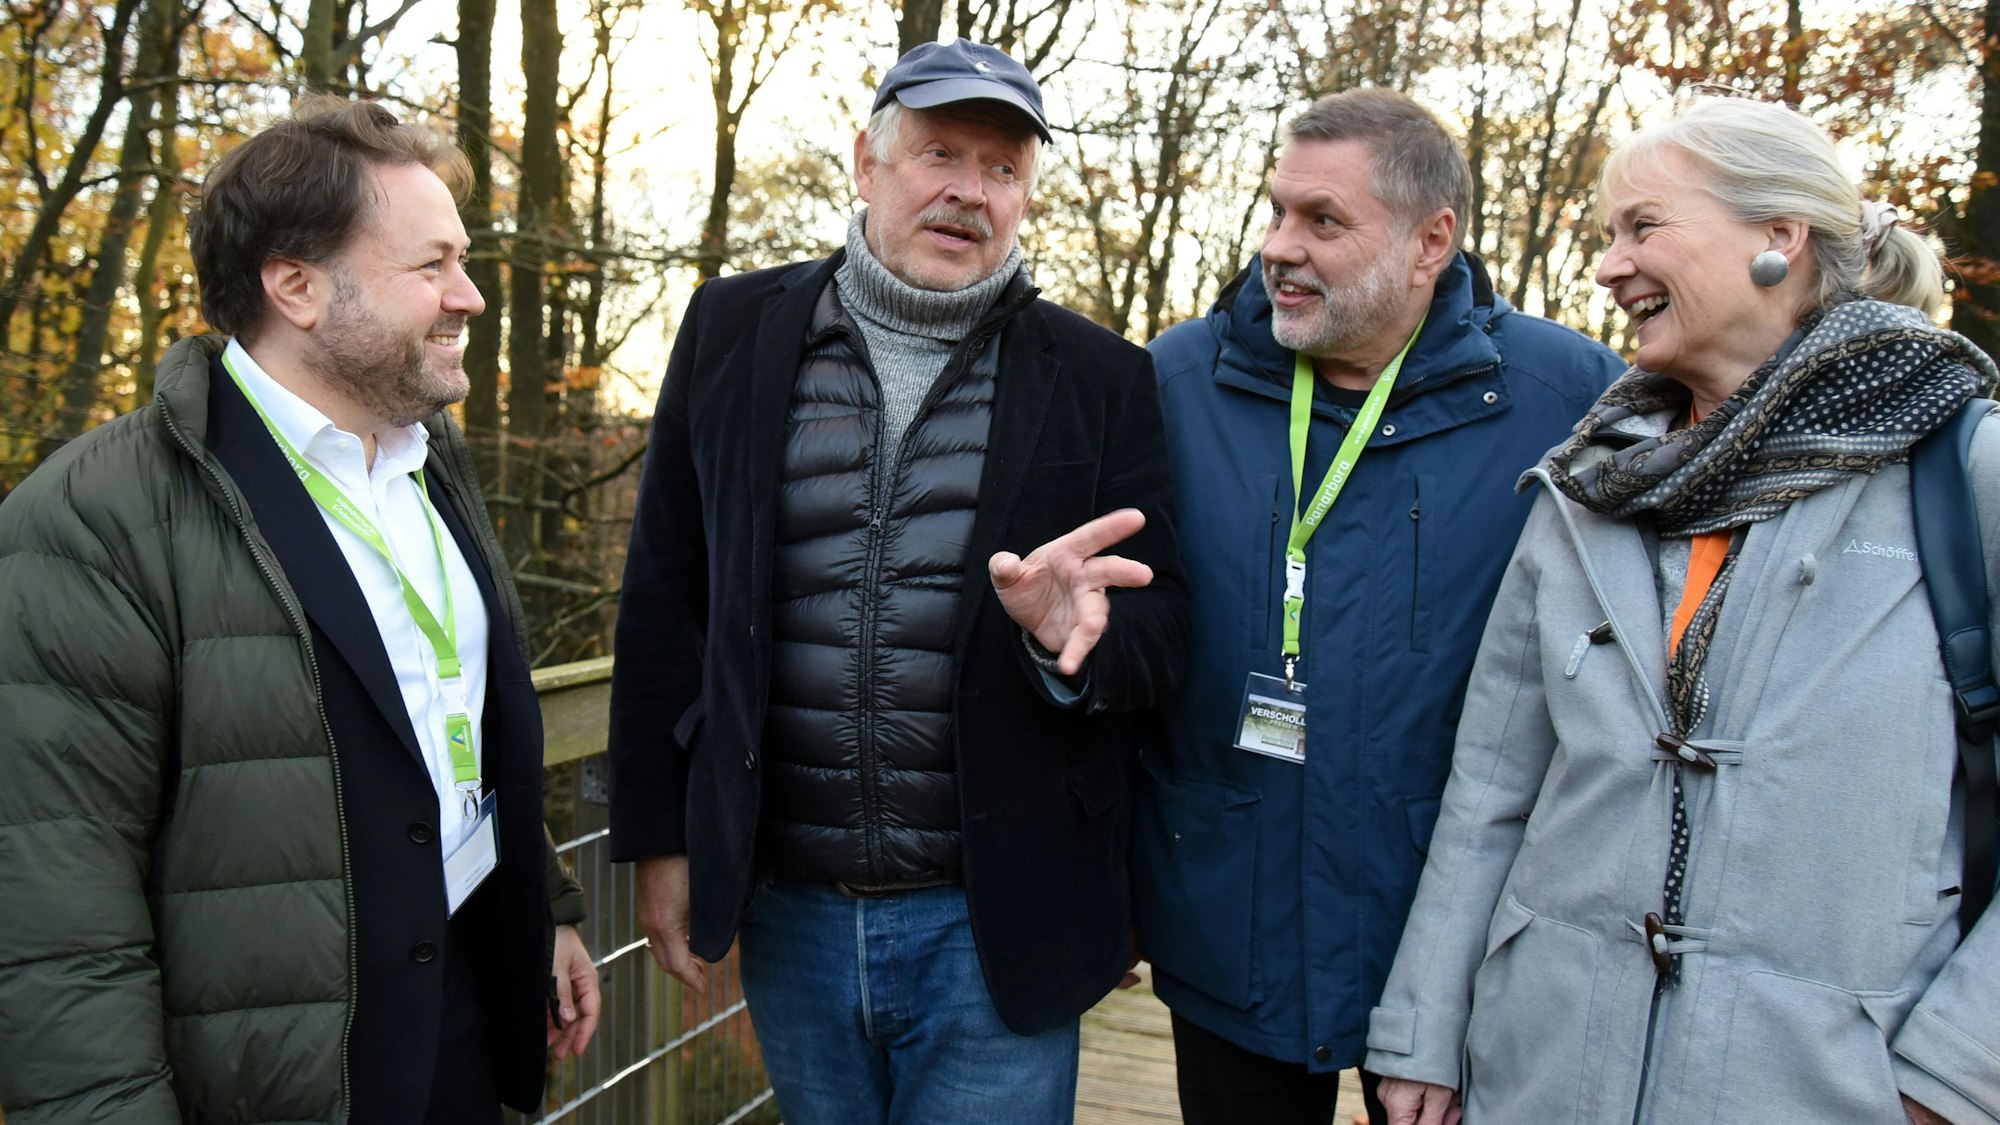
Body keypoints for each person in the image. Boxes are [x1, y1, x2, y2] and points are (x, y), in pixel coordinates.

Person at [1365, 95, 2000, 1125]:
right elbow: (1489, 791)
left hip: (1835, 1093)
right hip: (1540, 1075)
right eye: (1607, 236)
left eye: (1642, 226)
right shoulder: (1586, 488)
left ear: (1777, 237)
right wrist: (1423, 1036)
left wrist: (1953, 1081)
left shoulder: (1962, 470)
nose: (1610, 265)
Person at [606, 36, 1188, 1125]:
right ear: (866, 161)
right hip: (790, 913)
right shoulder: (731, 330)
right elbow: (665, 601)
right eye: (939, 155)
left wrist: (1063, 640)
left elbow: (1164, 634)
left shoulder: (1103, 378)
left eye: (1002, 169)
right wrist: (658, 838)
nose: (969, 191)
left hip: (993, 924)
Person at [0, 97, 599, 1123]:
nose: (471, 298)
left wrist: (539, 908)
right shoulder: (92, 522)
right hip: (276, 1080)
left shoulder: (427, 464)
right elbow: (53, 913)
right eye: (431, 267)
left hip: (460, 1036)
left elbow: (440, 729)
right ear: (296, 287)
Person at [1137, 88, 1623, 1125]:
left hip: (1459, 945)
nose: (1277, 247)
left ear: (1427, 241)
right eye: (1274, 212)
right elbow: (1127, 635)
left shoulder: (1569, 399)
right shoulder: (1172, 383)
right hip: (1229, 924)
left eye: (1321, 220)